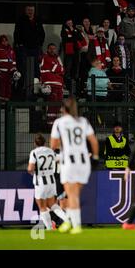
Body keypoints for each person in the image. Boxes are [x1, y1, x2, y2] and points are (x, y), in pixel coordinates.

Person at [50, 97, 100, 234]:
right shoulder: (83, 121)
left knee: (71, 195)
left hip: (69, 162)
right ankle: (68, 222)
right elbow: (94, 142)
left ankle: (75, 225)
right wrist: (95, 158)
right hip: (84, 162)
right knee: (74, 195)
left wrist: (60, 151)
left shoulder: (59, 122)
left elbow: (53, 145)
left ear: (63, 109)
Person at [27, 134, 69, 230]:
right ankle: (67, 220)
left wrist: (33, 173)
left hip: (40, 182)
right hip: (51, 182)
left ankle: (50, 228)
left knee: (42, 207)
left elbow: (30, 168)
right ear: (44, 142)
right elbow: (60, 159)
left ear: (35, 143)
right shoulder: (50, 151)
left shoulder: (34, 152)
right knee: (52, 204)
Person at [14, 5, 45, 97]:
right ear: (25, 11)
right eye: (28, 10)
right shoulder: (21, 20)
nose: (30, 11)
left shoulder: (38, 20)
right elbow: (17, 32)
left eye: (32, 10)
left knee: (36, 69)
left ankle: (35, 90)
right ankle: (22, 90)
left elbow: (42, 33)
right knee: (23, 69)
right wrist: (19, 43)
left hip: (35, 48)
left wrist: (40, 44)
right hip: (24, 48)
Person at [40, 43, 64, 128]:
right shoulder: (45, 57)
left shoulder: (57, 58)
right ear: (47, 49)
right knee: (52, 105)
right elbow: (53, 67)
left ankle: (57, 124)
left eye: (54, 48)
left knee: (59, 104)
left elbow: (62, 69)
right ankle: (50, 124)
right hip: (50, 84)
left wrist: (55, 68)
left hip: (59, 85)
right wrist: (57, 68)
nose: (52, 50)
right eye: (51, 48)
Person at [60, 18, 87, 93]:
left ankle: (75, 85)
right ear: (66, 23)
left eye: (71, 22)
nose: (70, 24)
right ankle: (66, 84)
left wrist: (72, 36)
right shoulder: (64, 30)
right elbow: (65, 39)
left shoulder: (76, 30)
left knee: (76, 68)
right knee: (68, 68)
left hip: (76, 52)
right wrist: (74, 37)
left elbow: (80, 38)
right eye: (68, 22)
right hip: (68, 53)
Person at [0, 35, 20, 102]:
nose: (5, 42)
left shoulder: (11, 50)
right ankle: (2, 102)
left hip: (10, 72)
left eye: (6, 40)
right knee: (2, 87)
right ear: (1, 42)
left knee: (9, 87)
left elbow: (14, 61)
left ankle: (7, 102)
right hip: (2, 72)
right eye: (3, 41)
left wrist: (14, 70)